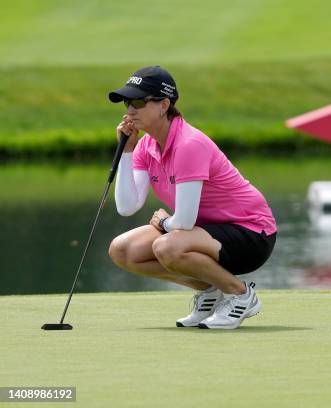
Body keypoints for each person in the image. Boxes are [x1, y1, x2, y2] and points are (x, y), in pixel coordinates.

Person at [107, 66, 277, 329]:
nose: (130, 110)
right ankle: (211, 291)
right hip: (205, 232)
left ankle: (241, 295)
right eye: (128, 102)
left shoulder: (188, 144)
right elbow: (127, 207)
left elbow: (183, 222)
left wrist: (164, 223)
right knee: (123, 250)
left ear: (164, 105)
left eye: (139, 102)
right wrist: (126, 153)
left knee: (167, 247)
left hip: (251, 233)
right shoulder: (145, 146)